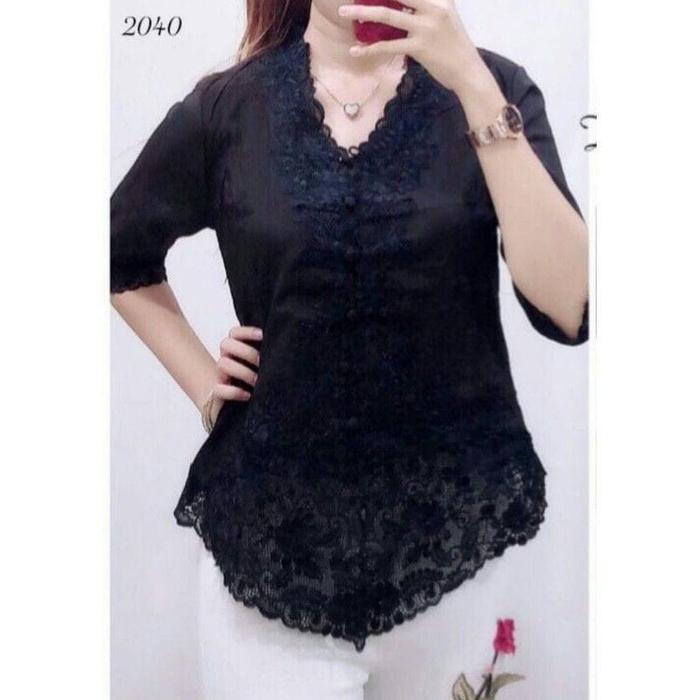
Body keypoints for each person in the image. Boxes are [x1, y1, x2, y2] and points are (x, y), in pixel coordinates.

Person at [110, 1, 589, 697]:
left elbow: (570, 308)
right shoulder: (229, 109)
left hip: (459, 554)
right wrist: (203, 382)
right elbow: (117, 250)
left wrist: (471, 82)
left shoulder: (493, 89)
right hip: (271, 567)